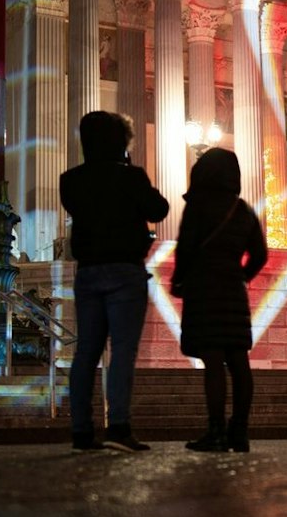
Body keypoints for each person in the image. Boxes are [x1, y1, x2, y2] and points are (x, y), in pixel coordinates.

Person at [61, 111, 168, 451]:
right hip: (124, 270)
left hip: (88, 271)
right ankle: (118, 428)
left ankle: (81, 431)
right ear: (121, 143)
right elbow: (159, 209)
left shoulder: (71, 180)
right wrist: (130, 168)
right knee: (122, 351)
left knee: (85, 354)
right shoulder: (131, 177)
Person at [171, 148, 269, 453]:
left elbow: (185, 248)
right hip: (233, 292)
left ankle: (215, 431)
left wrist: (179, 280)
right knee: (239, 361)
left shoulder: (198, 206)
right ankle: (239, 431)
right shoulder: (243, 210)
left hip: (203, 288)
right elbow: (261, 254)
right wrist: (241, 275)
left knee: (213, 359)